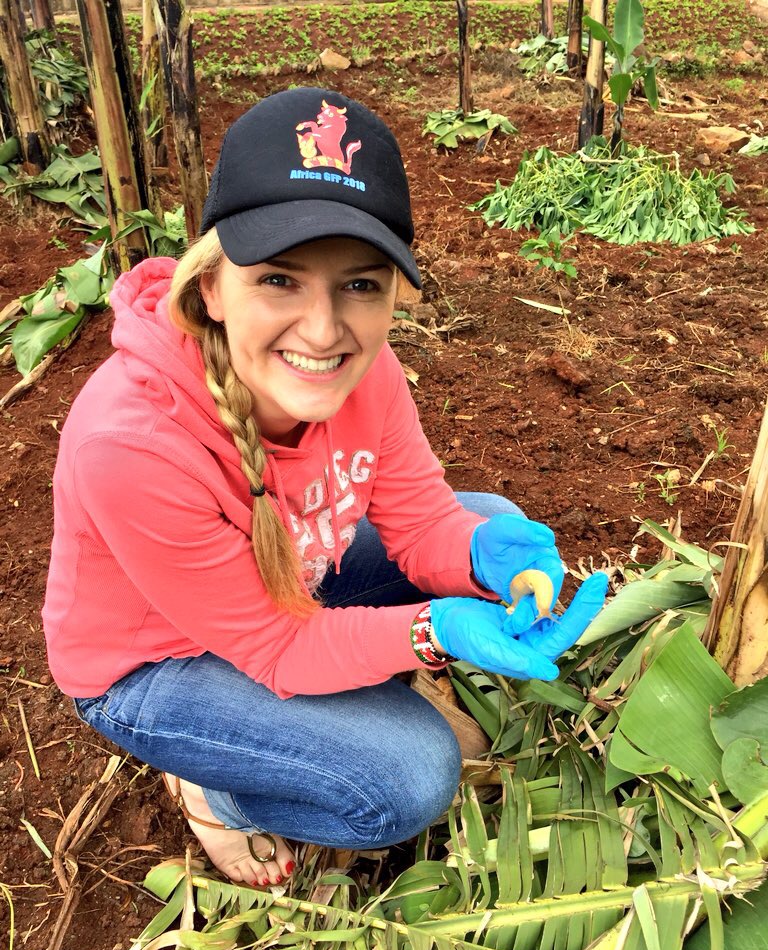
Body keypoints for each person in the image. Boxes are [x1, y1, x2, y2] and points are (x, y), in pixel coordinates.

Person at [42, 87, 607, 890]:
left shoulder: (369, 374)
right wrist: (431, 631)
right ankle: (221, 795)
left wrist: (487, 557)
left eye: (360, 284)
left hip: (286, 582)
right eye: (279, 280)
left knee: (493, 519)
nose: (322, 329)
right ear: (213, 288)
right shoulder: (129, 442)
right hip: (157, 663)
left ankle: (319, 714)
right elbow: (275, 645)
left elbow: (421, 524)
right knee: (408, 777)